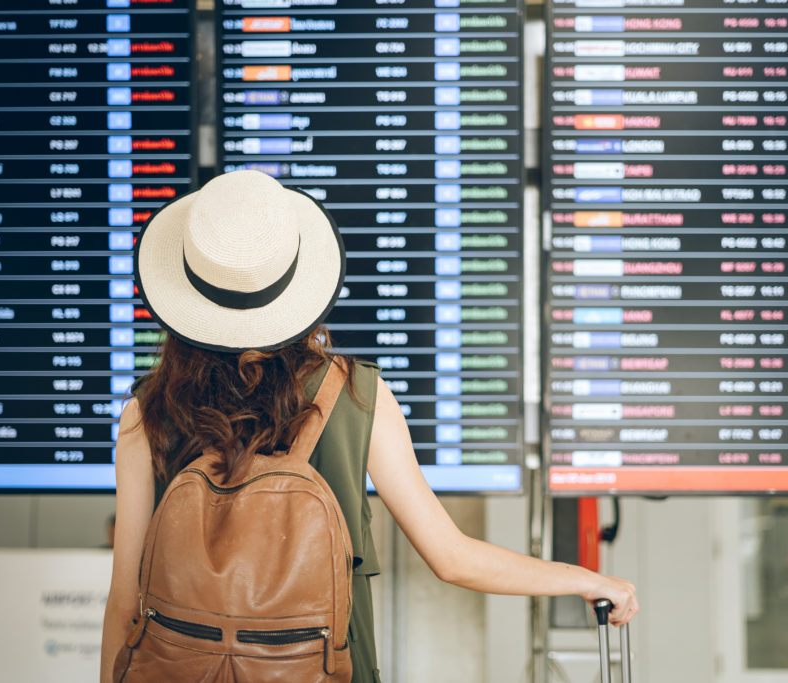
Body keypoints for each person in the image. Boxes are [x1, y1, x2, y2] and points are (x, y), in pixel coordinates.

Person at [100, 170, 638, 682]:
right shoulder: (357, 395)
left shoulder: (145, 413)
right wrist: (584, 579)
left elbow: (125, 600)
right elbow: (450, 558)